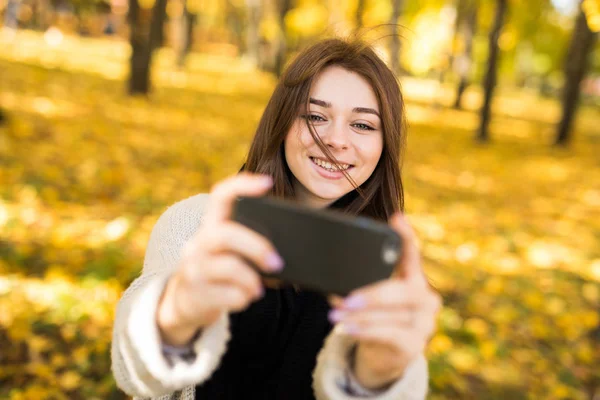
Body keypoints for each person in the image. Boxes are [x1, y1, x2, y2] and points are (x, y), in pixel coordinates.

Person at [111, 38, 442, 400]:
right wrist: (175, 314)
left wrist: (378, 377)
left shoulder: (384, 270)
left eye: (362, 125)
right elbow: (133, 372)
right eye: (315, 116)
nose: (335, 140)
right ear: (282, 122)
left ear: (385, 145)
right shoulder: (197, 224)